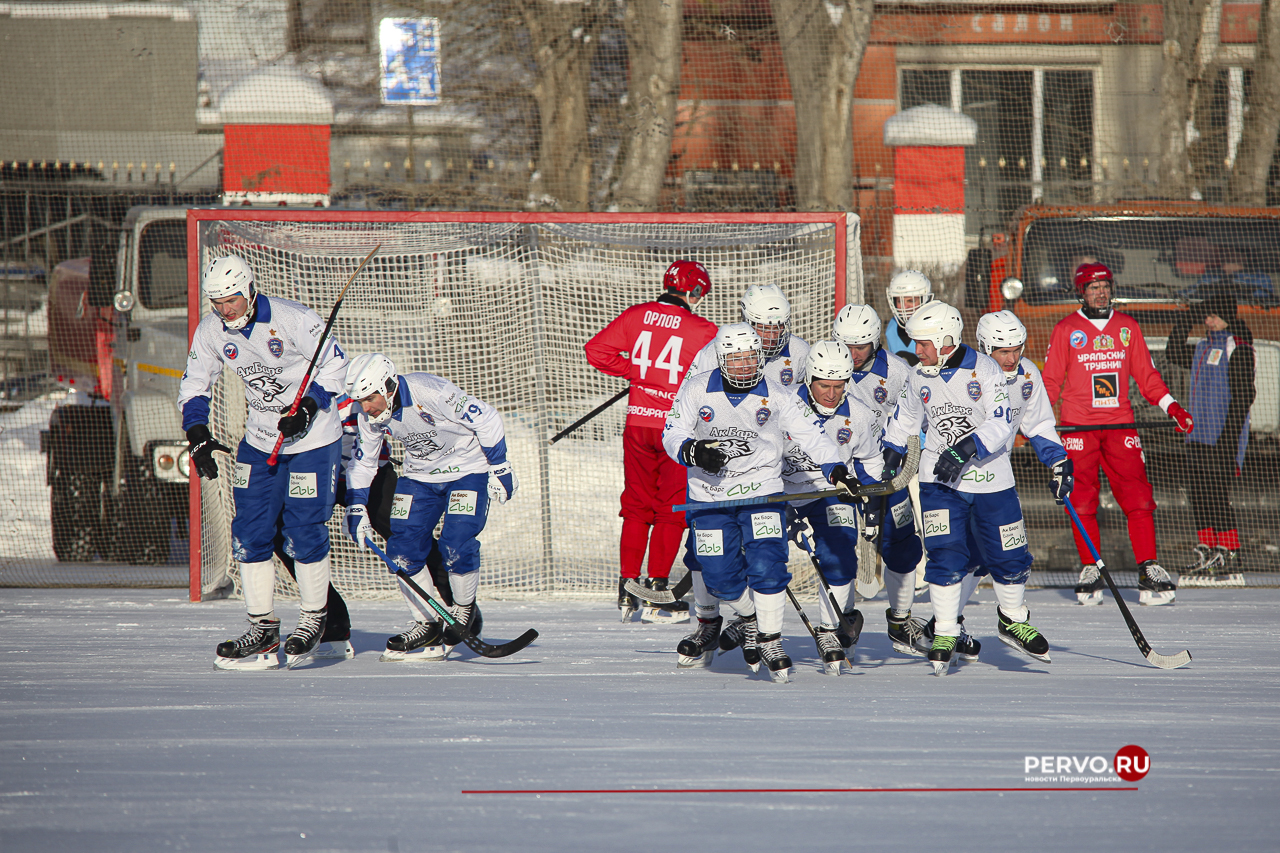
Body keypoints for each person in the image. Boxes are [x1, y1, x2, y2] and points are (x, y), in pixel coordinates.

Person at [178, 254, 347, 670]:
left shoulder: (293, 319)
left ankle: (314, 620)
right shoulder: (212, 331)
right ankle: (263, 630)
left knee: (304, 529)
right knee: (250, 532)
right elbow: (196, 382)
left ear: (249, 290)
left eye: (231, 299)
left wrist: (308, 407)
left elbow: (336, 365)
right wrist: (196, 432)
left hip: (313, 439)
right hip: (260, 439)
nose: (225, 309)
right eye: (217, 302)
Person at [663, 324, 856, 683]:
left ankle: (770, 639)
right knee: (719, 575)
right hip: (710, 497)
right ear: (722, 360)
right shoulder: (696, 388)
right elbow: (671, 431)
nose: (743, 367)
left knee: (768, 564)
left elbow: (812, 436)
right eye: (735, 360)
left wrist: (837, 471)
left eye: (750, 358)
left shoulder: (779, 395)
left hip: (762, 492)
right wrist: (693, 450)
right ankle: (748, 617)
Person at [883, 302, 1049, 675]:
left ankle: (1012, 618)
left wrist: (963, 450)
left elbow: (1001, 422)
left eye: (924, 343)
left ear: (945, 340)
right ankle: (944, 632)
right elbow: (905, 418)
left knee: (1009, 552)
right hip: (939, 482)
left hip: (993, 480)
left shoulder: (985, 369)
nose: (918, 350)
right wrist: (891, 453)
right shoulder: (918, 374)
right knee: (945, 553)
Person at [917, 310, 1075, 658]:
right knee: (958, 554)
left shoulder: (1027, 375)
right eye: (1003, 351)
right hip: (951, 479)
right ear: (986, 347)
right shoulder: (967, 372)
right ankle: (944, 626)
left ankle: (1003, 620)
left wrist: (1059, 462)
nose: (1012, 358)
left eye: (1017, 349)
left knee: (1002, 552)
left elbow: (1038, 424)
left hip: (995, 476)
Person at [343, 353, 518, 662]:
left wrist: (500, 467)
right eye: (359, 400)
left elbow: (487, 417)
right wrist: (357, 507)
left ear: (388, 386)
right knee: (402, 548)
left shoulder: (431, 391)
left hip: (468, 470)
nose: (366, 407)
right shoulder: (367, 417)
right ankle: (427, 623)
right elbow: (364, 462)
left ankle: (462, 611)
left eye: (370, 398)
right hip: (419, 477)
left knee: (456, 542)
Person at [1043, 262, 1194, 605]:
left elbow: (1148, 377)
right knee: (1080, 499)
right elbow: (1050, 382)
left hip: (1120, 424)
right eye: (1093, 287)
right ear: (1081, 292)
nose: (1101, 293)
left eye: (1105, 286)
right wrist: (1035, 424)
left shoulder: (1127, 327)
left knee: (1138, 497)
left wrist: (1173, 407)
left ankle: (1149, 568)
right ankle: (1090, 569)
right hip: (1078, 426)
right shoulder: (1066, 329)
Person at [583, 260, 718, 622]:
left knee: (636, 504)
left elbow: (596, 351)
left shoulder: (636, 315)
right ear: (694, 291)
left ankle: (627, 588)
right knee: (671, 509)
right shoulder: (703, 329)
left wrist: (639, 373)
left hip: (637, 424)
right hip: (675, 429)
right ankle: (658, 590)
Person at [676, 283, 813, 632]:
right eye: (762, 326)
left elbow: (813, 410)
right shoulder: (714, 353)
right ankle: (709, 620)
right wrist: (695, 451)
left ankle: (758, 626)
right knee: (703, 550)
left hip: (772, 468)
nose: (770, 335)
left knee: (764, 553)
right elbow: (685, 409)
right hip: (717, 473)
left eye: (777, 326)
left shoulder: (799, 353)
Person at [782, 340, 886, 674]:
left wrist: (872, 502)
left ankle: (829, 631)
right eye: (824, 385)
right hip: (778, 492)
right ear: (809, 378)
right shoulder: (782, 404)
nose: (831, 393)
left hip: (829, 492)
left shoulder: (858, 413)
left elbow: (870, 459)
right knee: (760, 556)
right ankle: (747, 622)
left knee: (840, 552)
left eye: (839, 385)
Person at [831, 302, 927, 656]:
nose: (853, 355)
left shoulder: (899, 371)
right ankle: (840, 623)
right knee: (837, 549)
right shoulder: (820, 364)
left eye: (861, 347)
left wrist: (894, 449)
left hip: (883, 473)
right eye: (846, 346)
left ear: (875, 342)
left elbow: (911, 414)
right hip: (838, 477)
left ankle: (901, 622)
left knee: (904, 545)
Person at [1165, 284, 1255, 581]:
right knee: (1199, 495)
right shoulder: (1203, 347)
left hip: (1222, 438)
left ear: (1227, 317)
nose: (1208, 321)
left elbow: (1243, 397)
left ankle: (1230, 554)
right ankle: (1207, 551)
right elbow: (1174, 351)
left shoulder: (1238, 347)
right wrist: (1187, 319)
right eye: (1206, 316)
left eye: (1213, 316)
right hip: (1197, 436)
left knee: (1217, 496)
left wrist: (1229, 443)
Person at [883, 270, 933, 366]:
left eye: (910, 300)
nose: (905, 307)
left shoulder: (936, 325)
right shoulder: (892, 327)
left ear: (924, 299)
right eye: (899, 301)